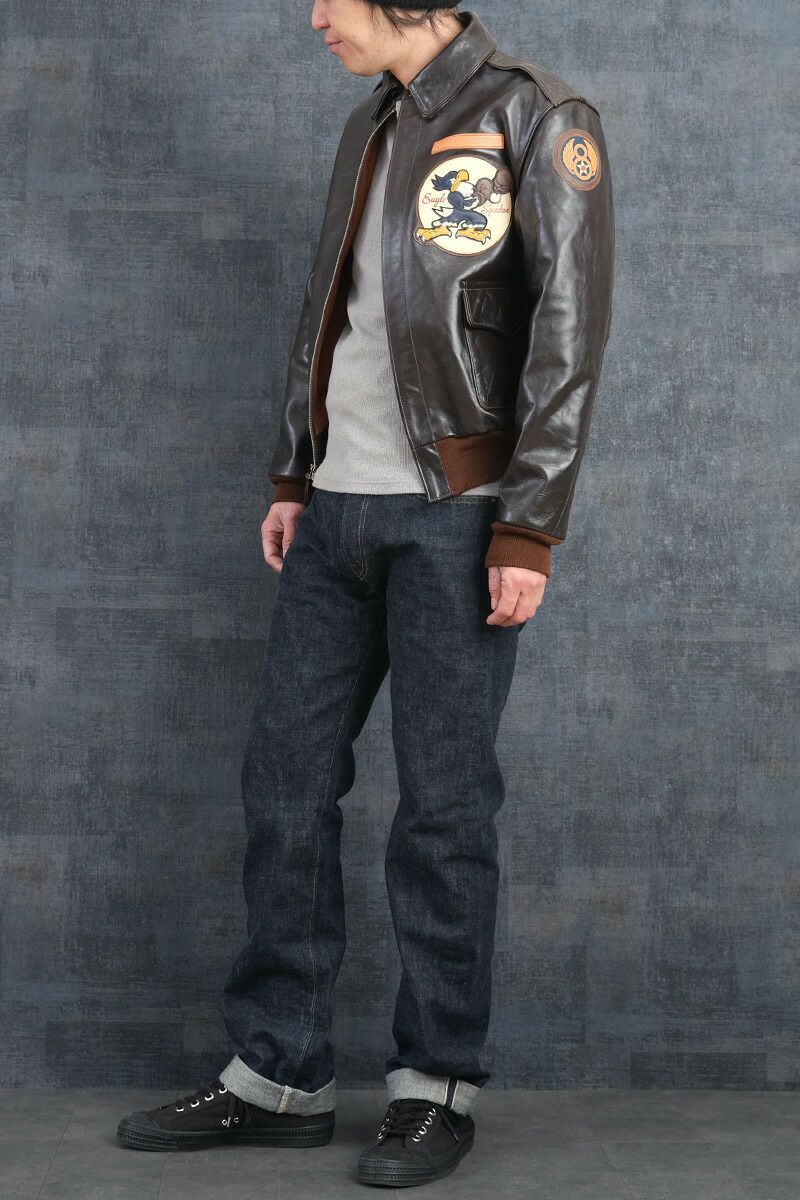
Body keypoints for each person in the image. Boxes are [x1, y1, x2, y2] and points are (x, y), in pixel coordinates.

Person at [117, 0, 614, 1188]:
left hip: (458, 519)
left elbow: (567, 336)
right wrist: (297, 472)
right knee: (283, 784)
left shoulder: (537, 116)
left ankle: (433, 1083)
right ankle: (278, 1073)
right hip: (334, 515)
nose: (312, 18)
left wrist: (527, 527)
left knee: (441, 811)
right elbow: (330, 315)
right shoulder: (372, 123)